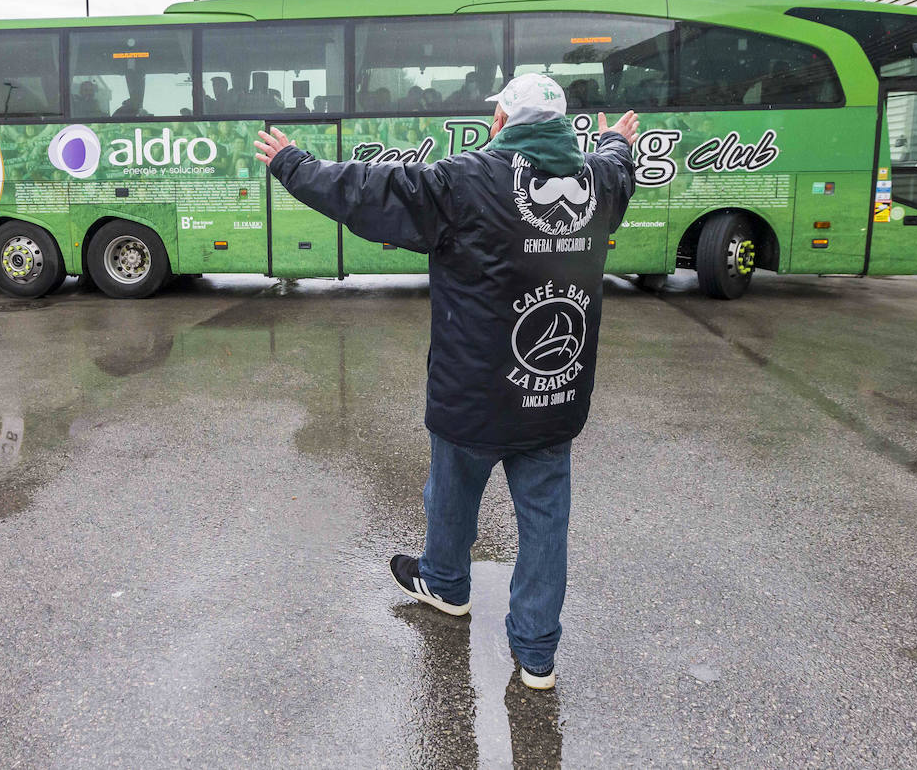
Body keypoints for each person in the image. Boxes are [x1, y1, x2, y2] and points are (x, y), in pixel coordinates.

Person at [255, 74, 639, 691]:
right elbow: (615, 163)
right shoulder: (596, 181)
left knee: (451, 497)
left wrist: (294, 165)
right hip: (554, 390)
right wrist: (620, 141)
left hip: (473, 394)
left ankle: (447, 585)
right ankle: (536, 654)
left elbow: (369, 191)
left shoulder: (466, 180)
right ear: (561, 126)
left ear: (503, 122)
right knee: (545, 521)